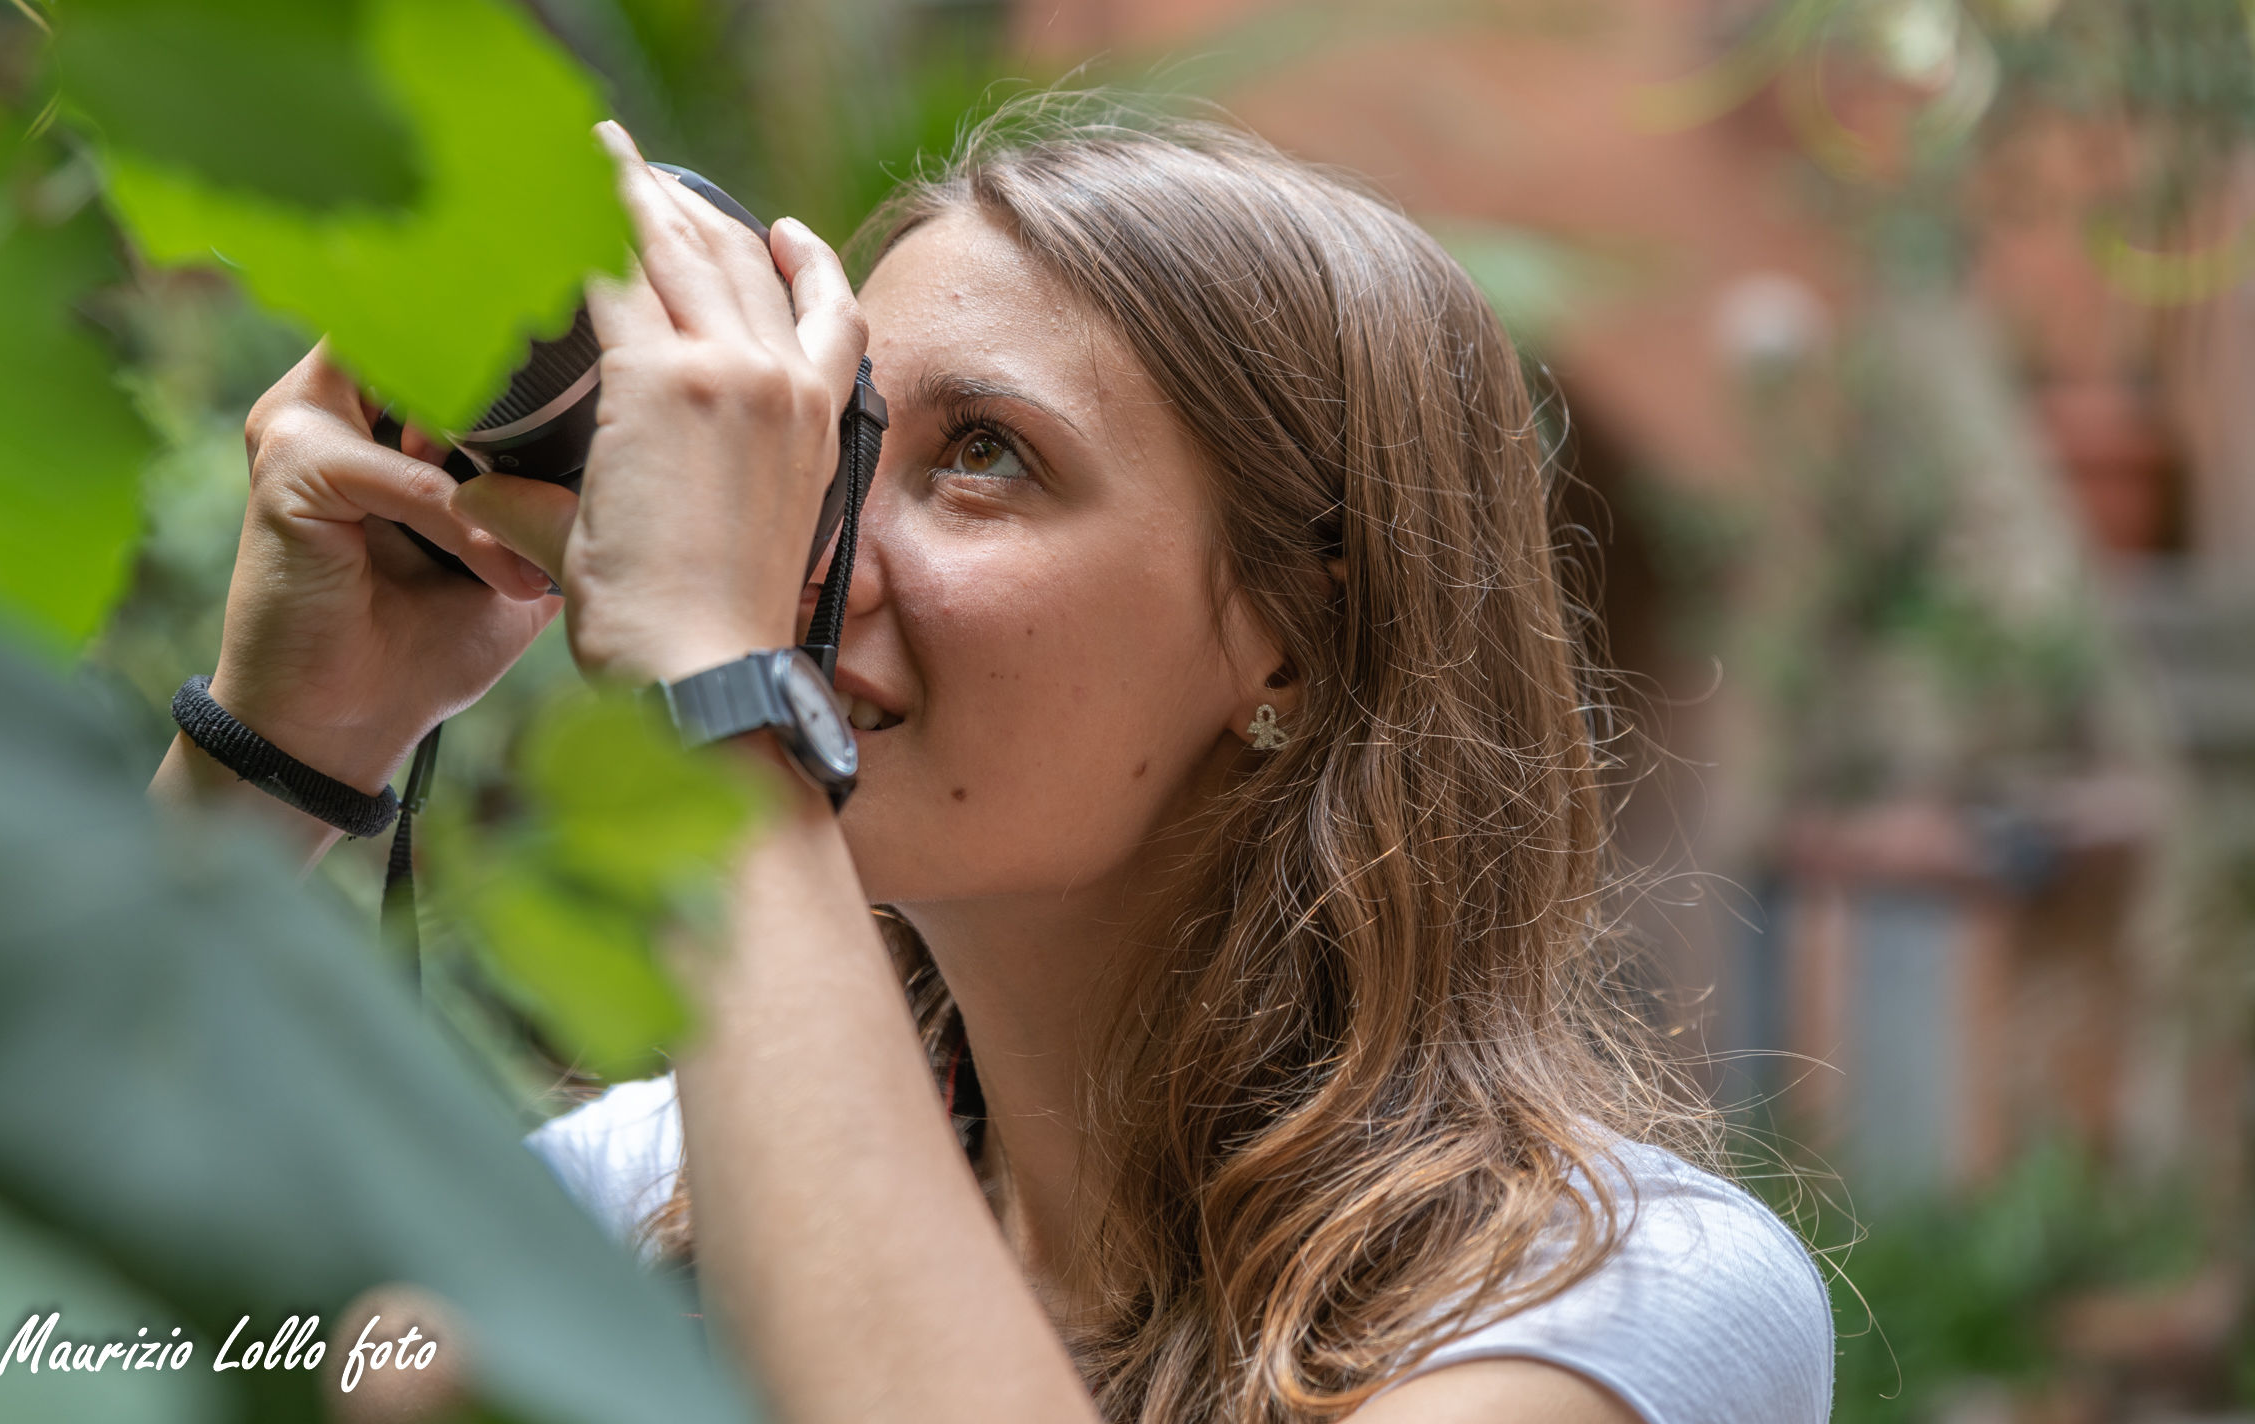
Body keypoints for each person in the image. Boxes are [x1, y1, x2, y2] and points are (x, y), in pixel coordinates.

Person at [153, 98, 1833, 1424]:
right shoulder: (643, 1206)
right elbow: (4, 1335)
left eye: (982, 461)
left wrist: (719, 692)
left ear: (1294, 644)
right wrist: (284, 749)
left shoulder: (1613, 1313)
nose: (803, 553)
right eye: (830, 444)